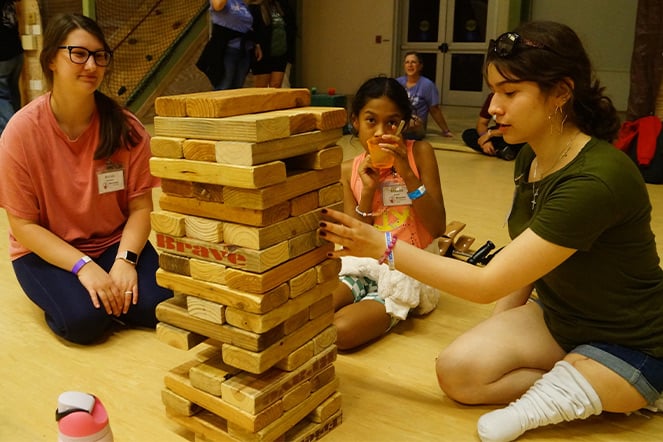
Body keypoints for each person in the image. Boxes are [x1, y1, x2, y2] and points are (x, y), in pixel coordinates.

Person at [318, 21, 663, 441]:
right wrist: (495, 329)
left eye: (510, 92)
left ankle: (616, 383)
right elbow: (524, 261)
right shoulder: (530, 159)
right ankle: (582, 378)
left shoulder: (596, 179)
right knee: (458, 373)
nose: (494, 107)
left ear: (561, 92)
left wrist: (381, 246)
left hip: (629, 335)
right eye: (494, 90)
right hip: (559, 316)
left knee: (507, 416)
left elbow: (485, 282)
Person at [0, 13, 173, 345]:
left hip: (111, 243)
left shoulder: (126, 128)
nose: (91, 65)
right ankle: (79, 297)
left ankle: (107, 296)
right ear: (51, 59)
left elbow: (140, 208)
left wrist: (126, 261)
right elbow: (24, 225)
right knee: (85, 322)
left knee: (161, 304)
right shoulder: (20, 133)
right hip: (45, 252)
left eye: (99, 55)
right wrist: (84, 267)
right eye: (79, 54)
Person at [332, 76, 446, 351]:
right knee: (312, 311)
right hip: (365, 264)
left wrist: (406, 172)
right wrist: (368, 192)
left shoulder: (420, 153)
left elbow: (438, 226)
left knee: (340, 332)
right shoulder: (349, 169)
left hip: (409, 267)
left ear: (404, 125)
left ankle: (390, 309)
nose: (381, 132)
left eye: (392, 123)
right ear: (355, 121)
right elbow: (353, 243)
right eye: (371, 121)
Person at [197, 0, 259, 90]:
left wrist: (256, 44)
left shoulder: (241, 3)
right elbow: (218, 6)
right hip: (227, 49)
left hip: (244, 49)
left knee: (237, 88)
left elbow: (247, 24)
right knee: (224, 86)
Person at [397, 51, 453, 140]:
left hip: (416, 126)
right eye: (407, 62)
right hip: (399, 123)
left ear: (420, 66)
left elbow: (434, 110)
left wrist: (445, 130)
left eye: (413, 62)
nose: (410, 65)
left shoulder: (427, 85)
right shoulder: (398, 82)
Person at [461, 92, 525, 161]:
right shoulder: (492, 97)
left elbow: (516, 128)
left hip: (515, 134)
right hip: (498, 134)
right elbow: (482, 123)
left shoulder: (518, 99)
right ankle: (500, 150)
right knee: (469, 133)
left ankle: (503, 149)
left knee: (523, 142)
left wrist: (491, 134)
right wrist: (485, 140)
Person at [249, 0, 295, 88]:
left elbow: (290, 27)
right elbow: (251, 29)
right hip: (263, 53)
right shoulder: (255, 7)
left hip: (280, 52)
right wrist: (256, 44)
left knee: (276, 86)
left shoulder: (281, 6)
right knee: (261, 89)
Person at [0, 0, 24, 134]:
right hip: (16, 53)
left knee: (2, 98)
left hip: (2, 56)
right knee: (13, 93)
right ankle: (20, 129)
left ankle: (11, 135)